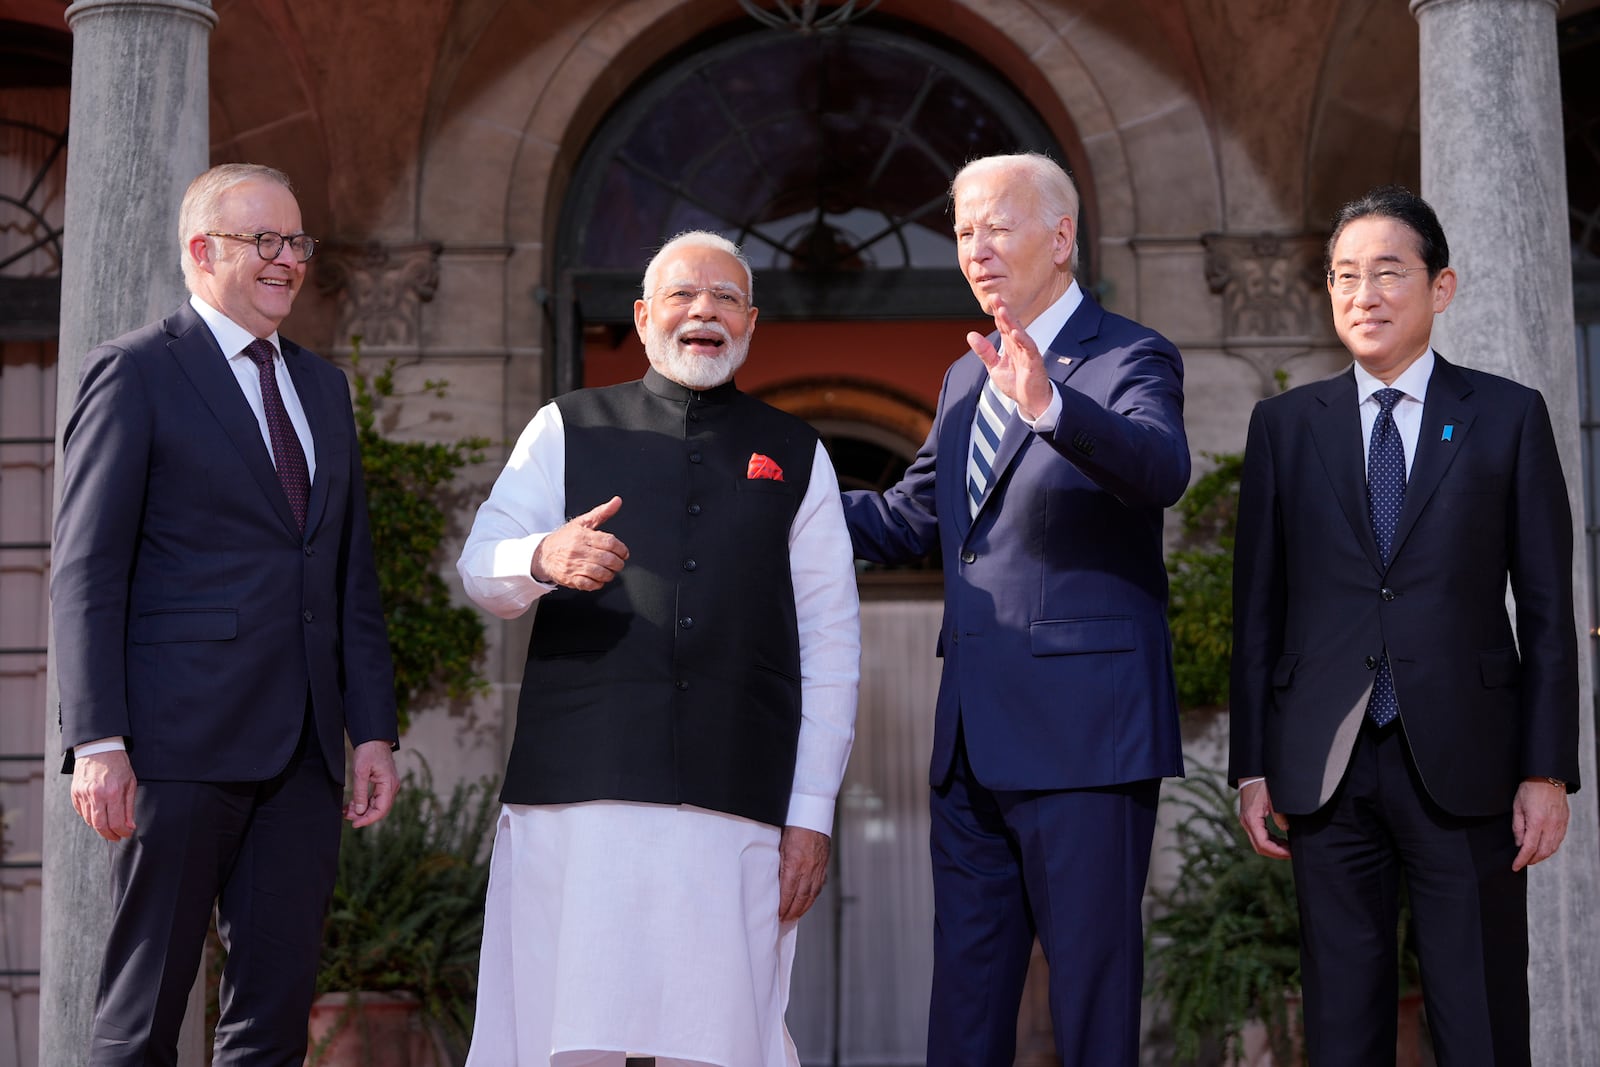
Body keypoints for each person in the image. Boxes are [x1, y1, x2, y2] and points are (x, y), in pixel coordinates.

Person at [455, 230, 860, 1067]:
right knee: (562, 1043)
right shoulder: (565, 426)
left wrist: (810, 818)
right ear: (643, 317)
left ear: (749, 322)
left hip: (733, 807)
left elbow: (831, 643)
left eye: (723, 298)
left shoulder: (797, 453)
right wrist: (541, 556)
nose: (702, 310)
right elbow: (479, 567)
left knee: (718, 1047)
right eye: (682, 294)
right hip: (578, 802)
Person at [841, 152, 1190, 1067]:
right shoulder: (965, 380)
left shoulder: (1131, 354)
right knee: (963, 1005)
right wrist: (777, 501)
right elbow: (907, 517)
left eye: (995, 225)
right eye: (961, 232)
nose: (975, 249)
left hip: (1087, 737)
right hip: (970, 742)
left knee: (1090, 1001)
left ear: (1061, 236)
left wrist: (1049, 404)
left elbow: (1159, 469)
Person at [53, 163, 400, 1065]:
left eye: (297, 242)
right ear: (203, 251)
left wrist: (371, 730)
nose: (288, 261)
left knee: (273, 1021)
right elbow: (87, 570)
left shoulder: (323, 388)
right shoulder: (135, 371)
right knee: (142, 1016)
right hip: (176, 744)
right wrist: (98, 741)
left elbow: (347, 575)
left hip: (305, 752)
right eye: (266, 242)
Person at [1229, 185, 1579, 1066]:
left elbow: (1545, 610)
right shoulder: (1284, 427)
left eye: (1388, 272)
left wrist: (1546, 768)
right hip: (1325, 766)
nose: (1364, 294)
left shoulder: (1507, 416)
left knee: (1481, 1020)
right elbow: (1257, 607)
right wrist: (1252, 763)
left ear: (1441, 287)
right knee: (1343, 1028)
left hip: (1470, 765)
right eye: (1345, 275)